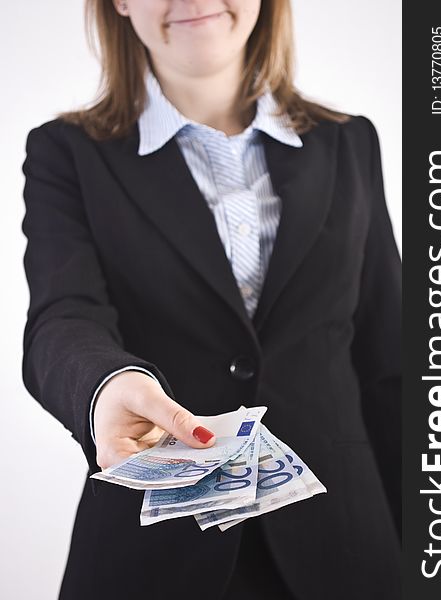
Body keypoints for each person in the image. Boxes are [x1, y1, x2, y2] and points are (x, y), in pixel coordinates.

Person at [21, 1, 402, 599]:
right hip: (155, 551)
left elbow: (389, 365)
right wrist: (106, 385)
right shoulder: (66, 152)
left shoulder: (349, 143)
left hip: (347, 546)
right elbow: (62, 316)